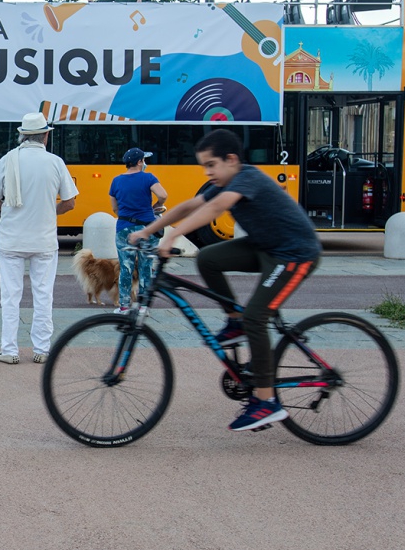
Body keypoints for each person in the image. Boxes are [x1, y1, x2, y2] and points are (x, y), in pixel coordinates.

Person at [128, 128, 322, 432]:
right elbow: (190, 205)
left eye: (211, 165)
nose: (207, 172)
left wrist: (175, 235)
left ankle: (266, 402)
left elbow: (215, 208)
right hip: (265, 247)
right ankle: (235, 321)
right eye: (204, 166)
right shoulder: (225, 182)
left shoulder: (247, 178)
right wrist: (149, 230)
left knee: (257, 316)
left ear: (231, 159)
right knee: (208, 258)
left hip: (295, 254)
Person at [0, 112, 78, 364]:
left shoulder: (7, 160)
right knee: (44, 295)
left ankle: (9, 350)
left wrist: (8, 208)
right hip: (44, 240)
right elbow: (70, 203)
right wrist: (49, 210)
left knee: (10, 297)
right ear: (45, 136)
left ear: (22, 136)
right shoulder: (55, 162)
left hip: (11, 240)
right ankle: (42, 350)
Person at [109, 147, 167, 312]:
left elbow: (115, 208)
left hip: (124, 228)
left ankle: (124, 306)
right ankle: (143, 306)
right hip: (147, 227)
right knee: (145, 267)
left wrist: (127, 217)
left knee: (125, 268)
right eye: (144, 160)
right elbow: (163, 195)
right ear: (140, 162)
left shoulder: (116, 181)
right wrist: (156, 206)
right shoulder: (148, 177)